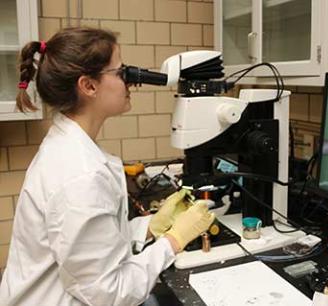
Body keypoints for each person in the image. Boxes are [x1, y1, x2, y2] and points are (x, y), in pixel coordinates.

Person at [0, 27, 215, 306]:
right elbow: (110, 293)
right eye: (121, 72)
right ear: (89, 86)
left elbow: (94, 246)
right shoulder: (80, 175)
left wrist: (151, 226)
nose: (132, 81)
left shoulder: (71, 149)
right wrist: (172, 241)